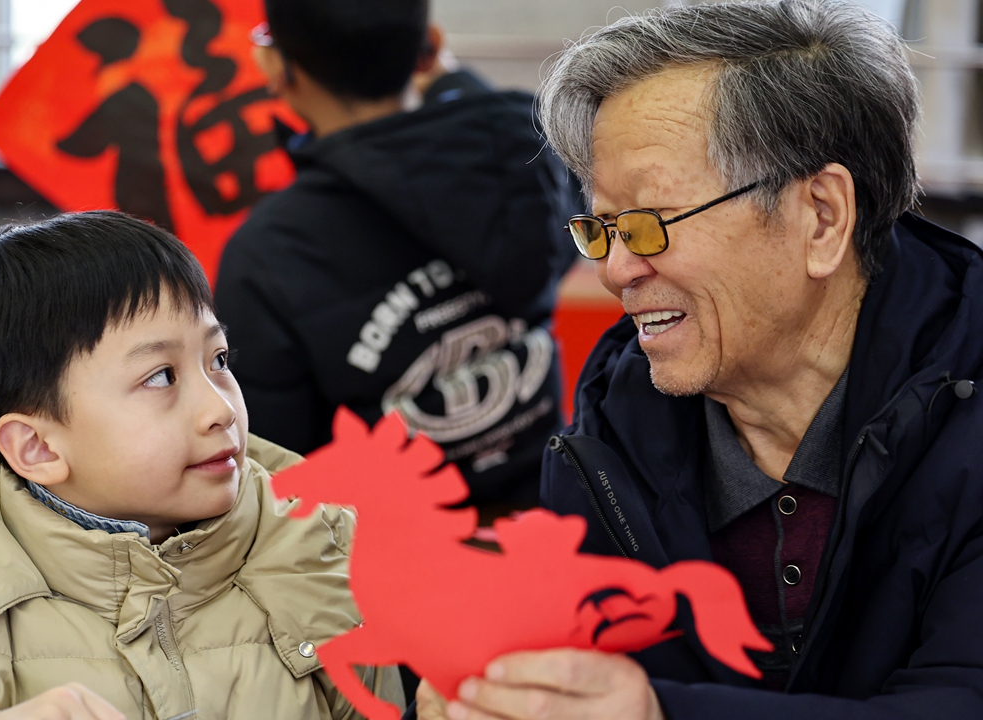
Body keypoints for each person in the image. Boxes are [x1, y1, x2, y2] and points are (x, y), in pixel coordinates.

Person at [416, 1, 983, 719]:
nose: (616, 270)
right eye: (602, 228)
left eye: (651, 224)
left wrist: (658, 714)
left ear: (822, 216)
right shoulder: (607, 446)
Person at [0, 211, 403, 719]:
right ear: (39, 449)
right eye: (161, 376)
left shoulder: (325, 547)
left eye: (218, 359)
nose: (220, 409)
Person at [215, 0, 579, 509]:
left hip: (397, 563)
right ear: (428, 47)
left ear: (278, 67)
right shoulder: (526, 155)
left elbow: (277, 472)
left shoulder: (268, 253)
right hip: (563, 509)